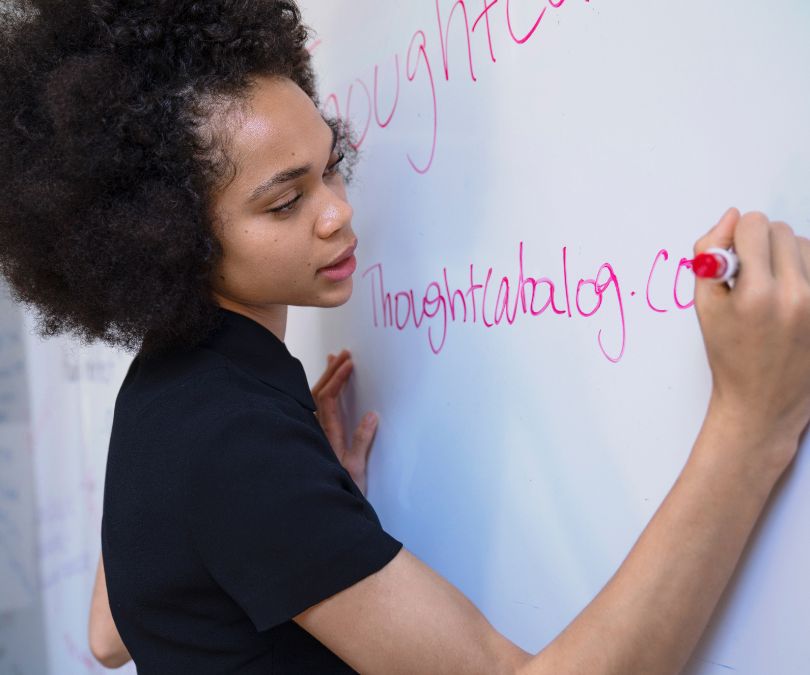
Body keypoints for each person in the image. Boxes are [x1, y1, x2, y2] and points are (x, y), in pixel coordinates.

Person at [2, 1, 809, 673]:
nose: (337, 211)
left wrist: (301, 523)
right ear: (168, 237)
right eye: (285, 202)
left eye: (333, 164)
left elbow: (110, 633)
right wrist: (751, 422)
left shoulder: (166, 385)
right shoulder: (231, 437)